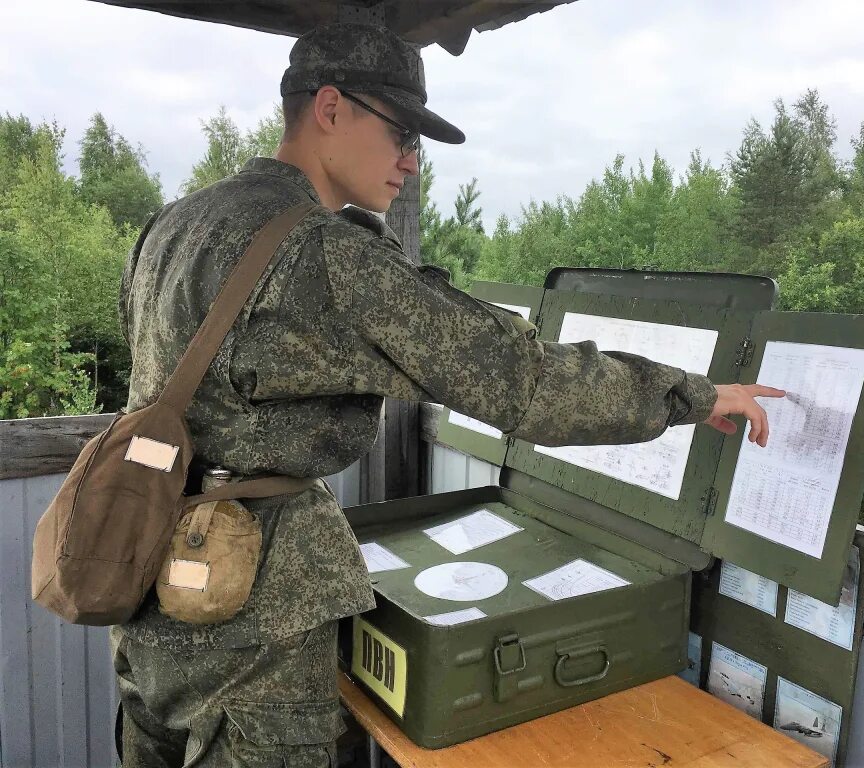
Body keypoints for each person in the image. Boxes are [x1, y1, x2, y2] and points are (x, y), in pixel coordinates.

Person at [111, 21, 784, 767]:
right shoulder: (324, 255)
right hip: (251, 623)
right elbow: (523, 382)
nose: (410, 161)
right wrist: (694, 395)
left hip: (146, 581)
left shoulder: (173, 225)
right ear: (330, 109)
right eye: (399, 130)